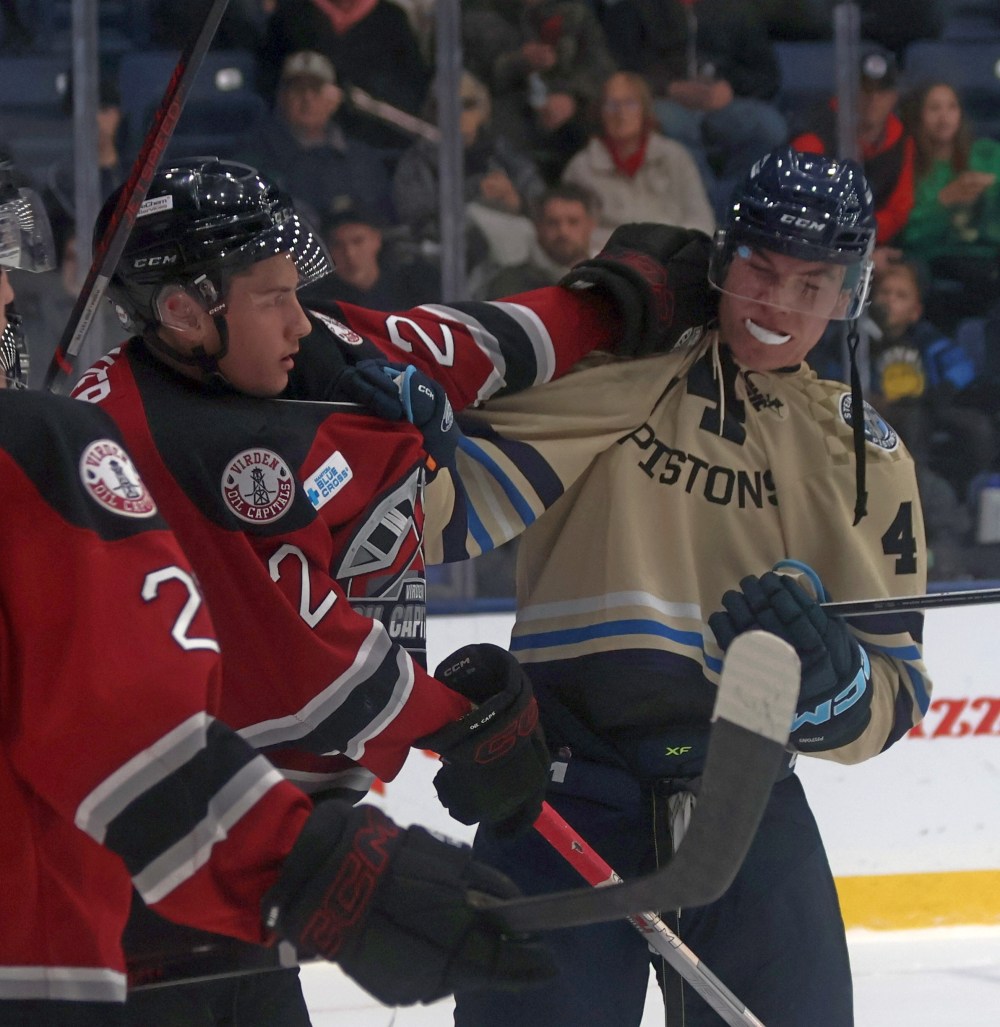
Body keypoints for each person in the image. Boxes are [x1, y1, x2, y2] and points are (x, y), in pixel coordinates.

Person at [69, 156, 708, 1024]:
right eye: (273, 298)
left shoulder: (295, 350)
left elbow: (462, 343)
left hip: (237, 867)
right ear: (184, 311)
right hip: (138, 889)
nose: (301, 319)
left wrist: (612, 304)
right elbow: (305, 675)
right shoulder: (142, 446)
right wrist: (460, 722)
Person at [0, 164, 552, 1026]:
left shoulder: (102, 417)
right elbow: (210, 705)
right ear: (183, 310)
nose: (9, 295)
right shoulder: (84, 442)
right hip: (140, 920)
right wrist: (328, 867)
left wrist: (622, 299)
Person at [423, 146, 933, 1026]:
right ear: (722, 258)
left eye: (811, 285)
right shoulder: (601, 369)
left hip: (748, 804)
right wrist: (575, 315)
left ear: (847, 294)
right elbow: (429, 512)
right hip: (560, 794)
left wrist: (829, 682)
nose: (778, 306)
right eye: (761, 271)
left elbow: (895, 691)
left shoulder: (860, 456)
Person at [599, 0, 788, 218]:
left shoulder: (736, 8)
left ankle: (739, 203)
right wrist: (669, 88)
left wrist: (730, 88)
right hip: (663, 99)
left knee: (769, 126)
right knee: (668, 121)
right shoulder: (633, 7)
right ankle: (703, 209)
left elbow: (767, 74)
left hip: (725, 104)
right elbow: (621, 67)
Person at [392, 70, 546, 288]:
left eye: (467, 105)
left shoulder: (501, 152)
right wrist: (473, 192)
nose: (458, 114)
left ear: (483, 111)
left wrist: (519, 202)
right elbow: (415, 219)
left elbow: (543, 201)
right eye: (449, 105)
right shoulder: (418, 161)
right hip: (449, 263)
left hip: (515, 261)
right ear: (434, 112)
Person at [231, 49, 395, 231]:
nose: (307, 99)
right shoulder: (253, 159)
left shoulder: (361, 158)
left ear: (334, 100)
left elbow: (383, 219)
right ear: (282, 97)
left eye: (316, 89)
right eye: (298, 90)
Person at [792, 43, 915, 271]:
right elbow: (800, 211)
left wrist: (863, 244)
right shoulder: (815, 135)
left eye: (882, 91)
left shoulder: (901, 141)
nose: (873, 100)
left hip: (876, 246)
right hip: (813, 249)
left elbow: (898, 211)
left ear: (893, 97)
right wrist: (855, 250)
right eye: (865, 90)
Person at [561, 70, 715, 250]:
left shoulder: (674, 156)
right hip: (610, 260)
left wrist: (670, 248)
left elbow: (702, 220)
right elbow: (577, 234)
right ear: (599, 112)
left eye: (630, 103)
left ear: (644, 109)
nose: (621, 113)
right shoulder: (581, 168)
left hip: (672, 257)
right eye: (611, 105)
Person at [259, 0, 432, 155]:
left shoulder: (392, 19)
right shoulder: (291, 15)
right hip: (298, 148)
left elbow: (413, 90)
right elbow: (267, 82)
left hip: (378, 147)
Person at [898, 79, 1000, 327]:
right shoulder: (907, 166)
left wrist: (993, 185)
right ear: (918, 115)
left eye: (951, 107)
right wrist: (943, 202)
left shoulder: (986, 154)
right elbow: (905, 234)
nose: (944, 117)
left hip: (989, 257)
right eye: (934, 108)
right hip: (935, 261)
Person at [298, 203, 441, 310]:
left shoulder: (414, 286)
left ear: (376, 240)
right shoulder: (316, 303)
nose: (349, 253)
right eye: (338, 244)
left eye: (358, 241)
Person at [476, 182, 599, 299]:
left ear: (590, 225)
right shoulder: (510, 284)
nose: (563, 231)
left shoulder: (604, 280)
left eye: (573, 222)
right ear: (538, 227)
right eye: (552, 222)